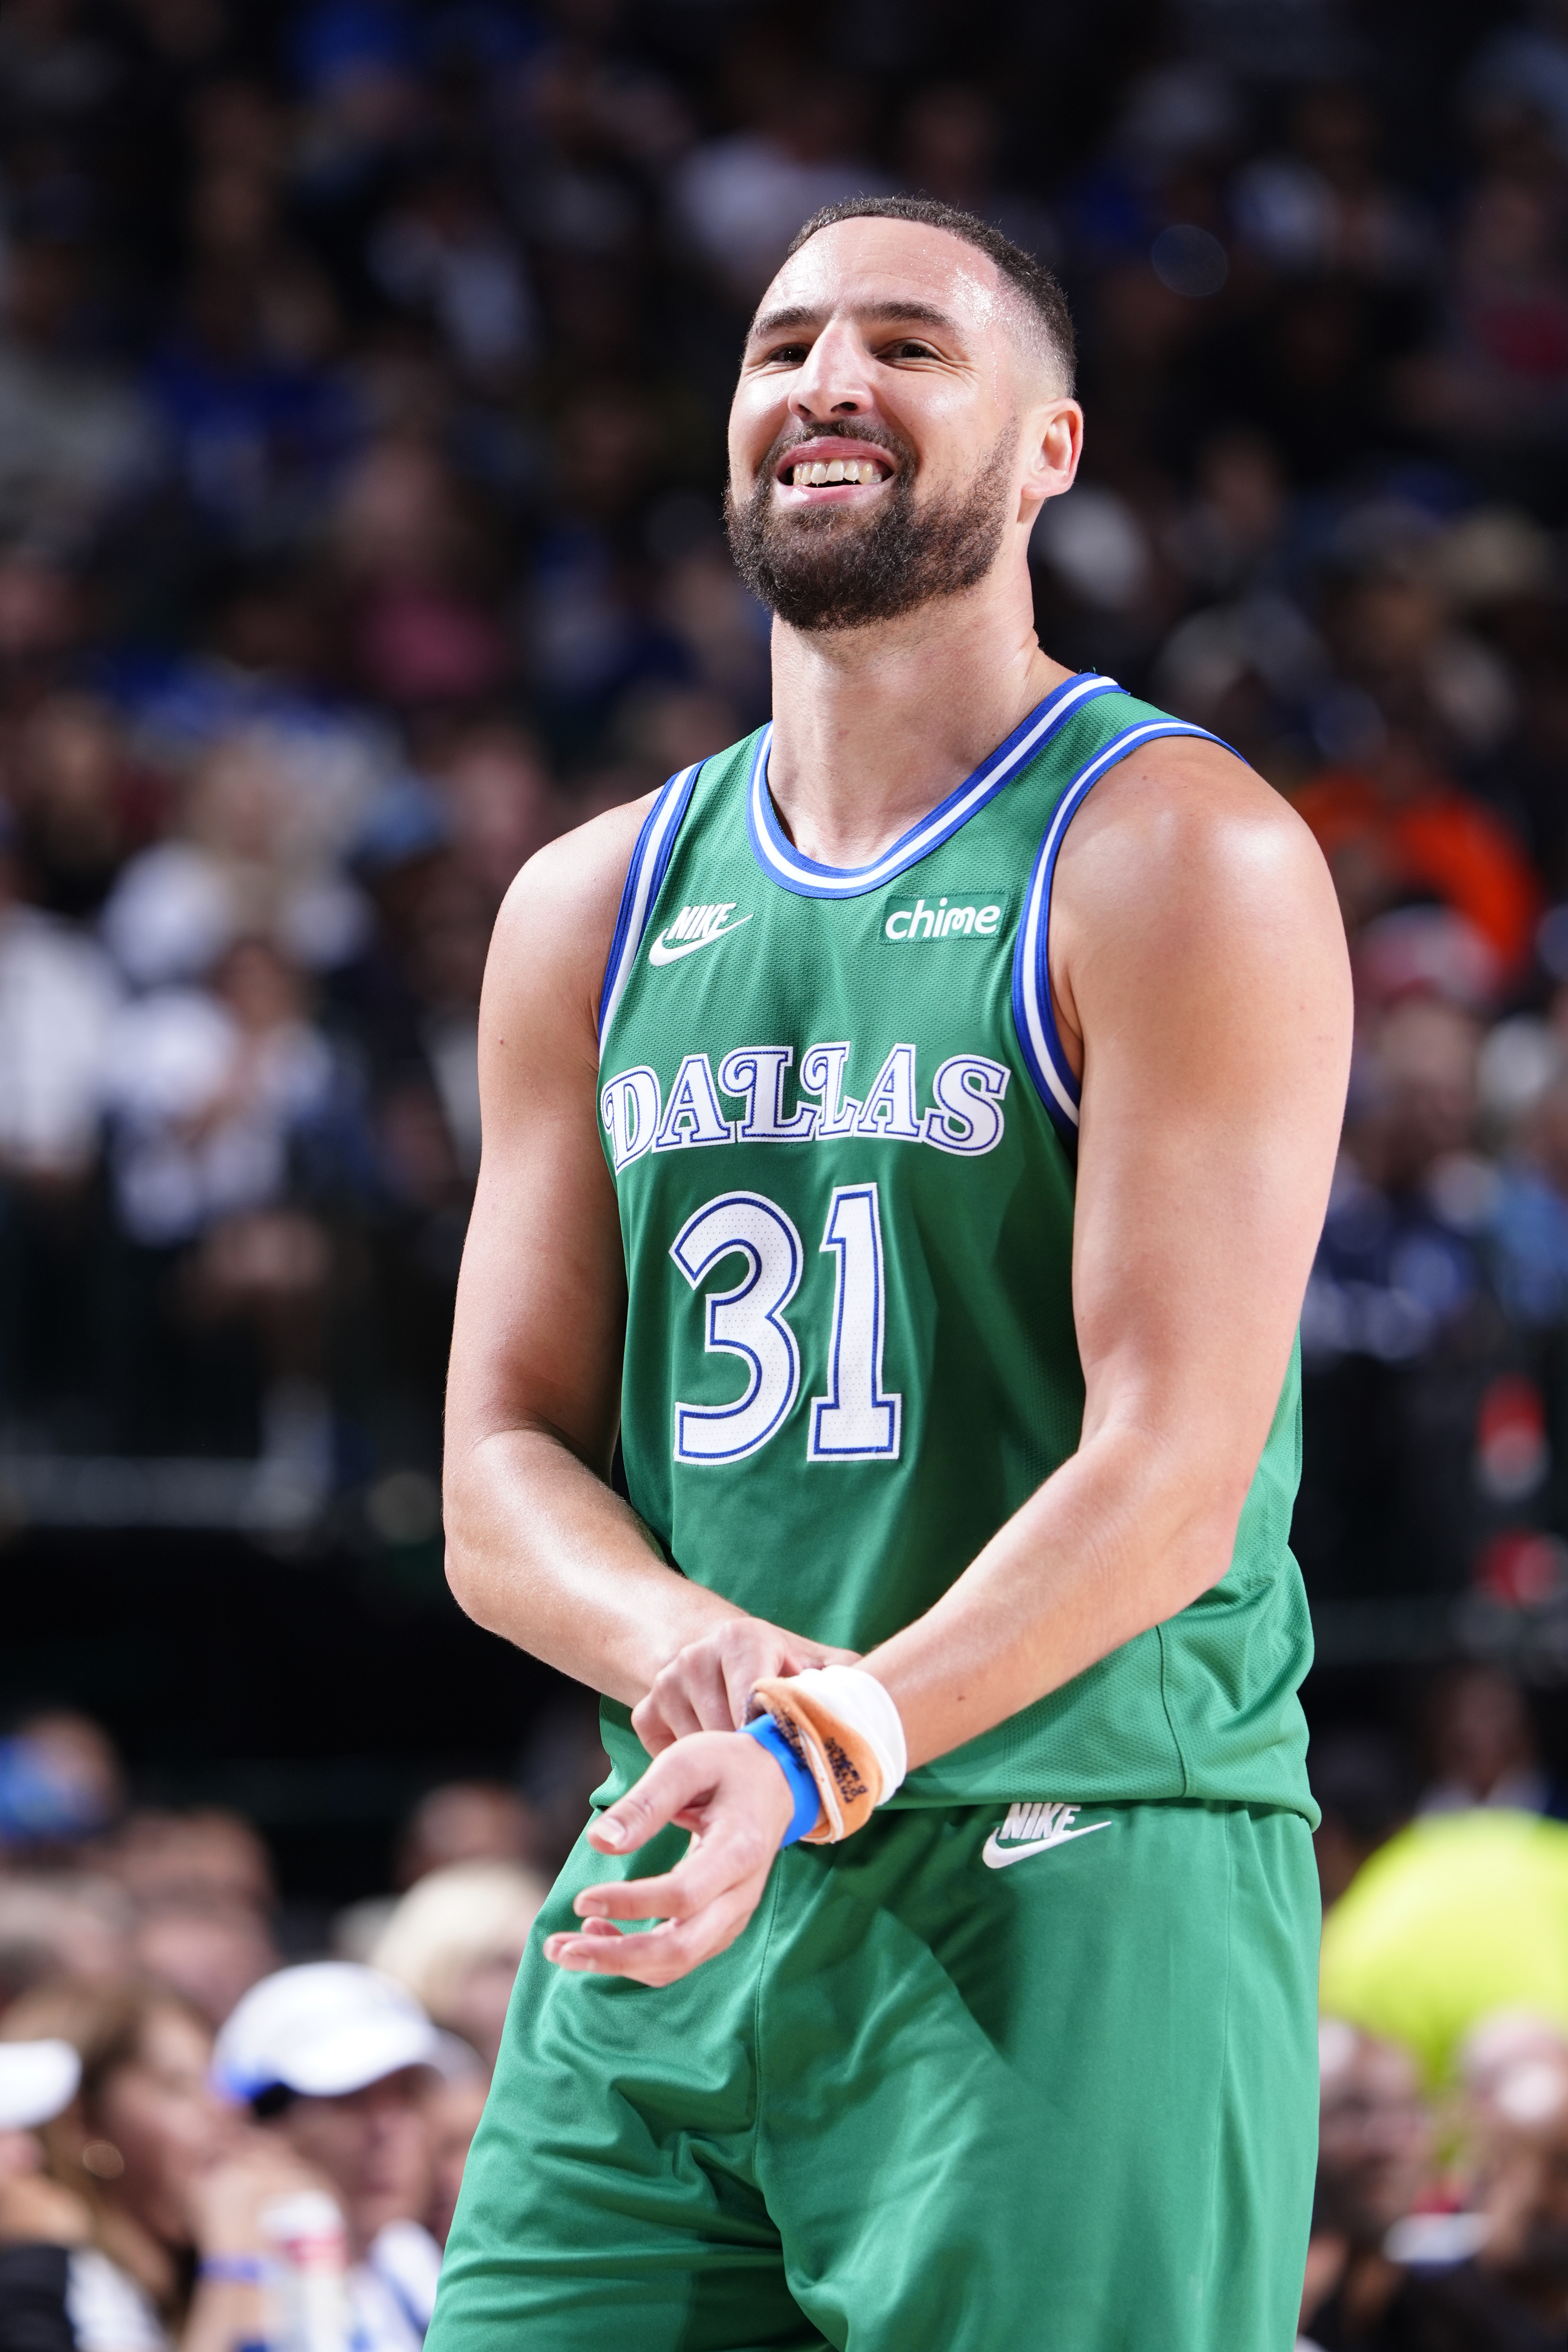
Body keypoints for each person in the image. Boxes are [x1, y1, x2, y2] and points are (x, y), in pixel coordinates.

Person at [432, 194, 1352, 2352]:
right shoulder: (587, 900)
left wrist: (824, 1733)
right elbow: (496, 1466)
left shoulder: (1175, 852)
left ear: (1052, 449)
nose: (826, 379)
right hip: (681, 1869)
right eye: (782, 345)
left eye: (909, 346)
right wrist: (690, 1653)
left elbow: (1174, 1467)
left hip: (1070, 1858)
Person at [0, 1980, 320, 2352]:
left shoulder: (168, 2287)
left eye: (216, 2081)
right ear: (83, 2125)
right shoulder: (53, 2293)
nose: (229, 2109)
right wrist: (233, 2263)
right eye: (179, 2086)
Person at [212, 1964, 444, 2352]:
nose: (387, 2127)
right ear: (260, 2124)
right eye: (349, 2097)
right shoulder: (230, 2278)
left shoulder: (405, 2255)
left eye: (406, 2092)